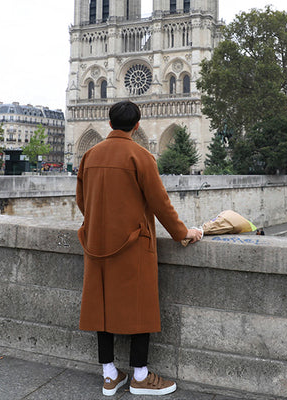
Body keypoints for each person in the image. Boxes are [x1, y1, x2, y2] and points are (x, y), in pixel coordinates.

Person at [76, 101, 202, 397]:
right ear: (137, 125)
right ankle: (140, 376)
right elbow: (161, 204)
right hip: (132, 244)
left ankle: (109, 375)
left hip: (96, 243)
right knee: (140, 307)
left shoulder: (89, 156)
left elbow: (82, 201)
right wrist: (183, 233)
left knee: (101, 306)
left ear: (109, 124)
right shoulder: (140, 155)